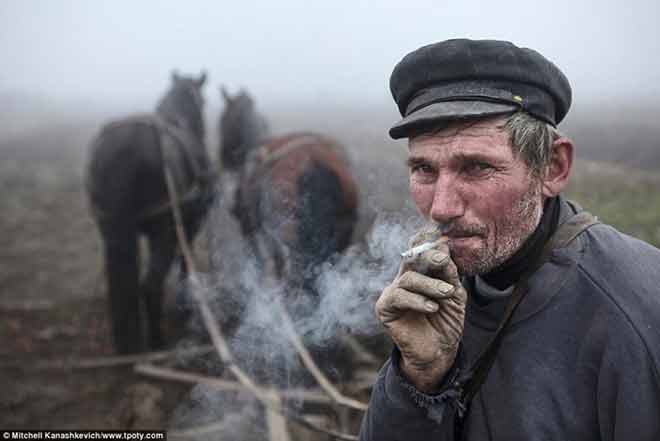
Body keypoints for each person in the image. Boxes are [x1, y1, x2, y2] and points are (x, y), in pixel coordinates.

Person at [359, 38, 660, 441]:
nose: (442, 208)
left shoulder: (636, 317)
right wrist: (418, 379)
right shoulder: (443, 287)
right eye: (424, 170)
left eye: (477, 167)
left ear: (552, 167)